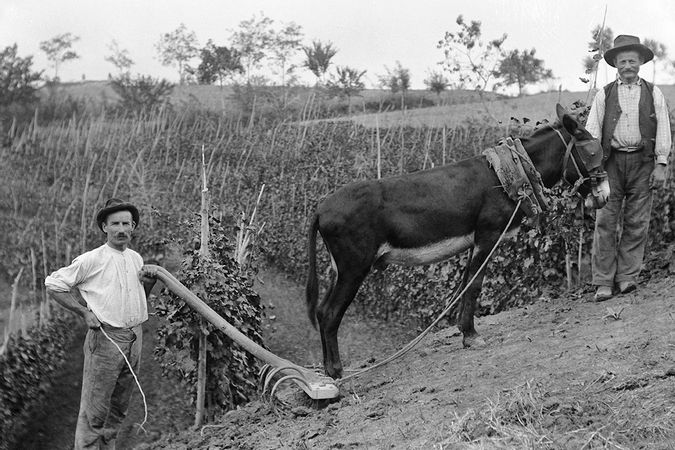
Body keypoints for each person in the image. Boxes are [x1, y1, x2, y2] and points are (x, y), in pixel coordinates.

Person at [45, 198, 157, 449]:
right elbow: (53, 284)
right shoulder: (91, 259)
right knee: (95, 412)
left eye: (125, 223)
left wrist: (148, 284)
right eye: (114, 223)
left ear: (133, 226)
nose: (120, 229)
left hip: (134, 337)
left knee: (118, 408)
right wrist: (83, 312)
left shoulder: (136, 258)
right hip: (106, 338)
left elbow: (135, 298)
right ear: (104, 227)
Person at [585, 35, 672, 301]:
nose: (627, 66)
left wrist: (660, 164)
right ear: (615, 65)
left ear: (640, 62)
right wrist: (594, 168)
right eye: (622, 61)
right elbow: (591, 133)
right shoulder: (605, 93)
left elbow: (663, 129)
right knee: (605, 221)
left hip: (642, 164)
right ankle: (602, 282)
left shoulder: (652, 92)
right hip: (608, 166)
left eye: (632, 61)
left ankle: (627, 278)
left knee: (637, 222)